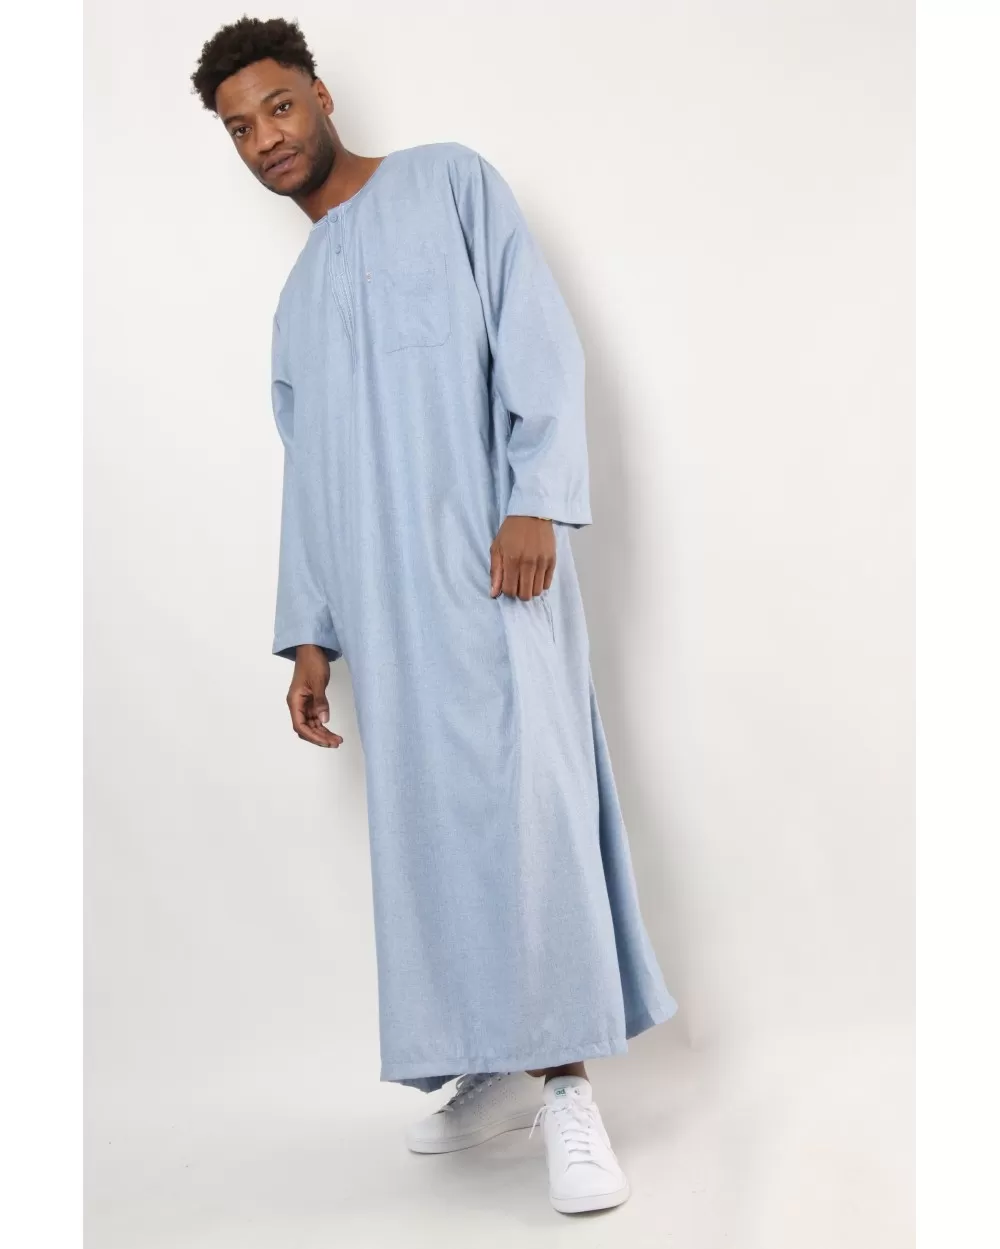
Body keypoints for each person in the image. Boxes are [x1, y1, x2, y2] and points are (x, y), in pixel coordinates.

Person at [191, 15, 678, 1215]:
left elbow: (537, 341)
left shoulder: (448, 184)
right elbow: (310, 480)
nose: (265, 139)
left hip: (496, 574)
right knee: (430, 842)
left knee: (527, 812)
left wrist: (536, 499)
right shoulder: (297, 304)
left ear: (320, 95)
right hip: (386, 612)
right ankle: (495, 1063)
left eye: (277, 107)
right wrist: (311, 635)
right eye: (240, 129)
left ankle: (566, 1084)